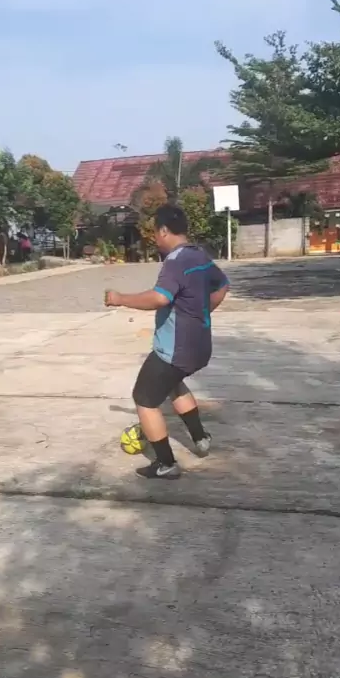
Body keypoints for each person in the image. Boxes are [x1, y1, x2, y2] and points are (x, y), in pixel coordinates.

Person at [105, 203, 229, 480]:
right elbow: (222, 285)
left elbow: (160, 297)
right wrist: (201, 312)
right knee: (173, 384)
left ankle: (165, 464)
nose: (154, 238)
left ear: (163, 230)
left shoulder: (175, 261)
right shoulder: (199, 255)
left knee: (144, 399)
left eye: (155, 233)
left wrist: (120, 299)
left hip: (174, 349)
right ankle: (200, 438)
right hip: (199, 346)